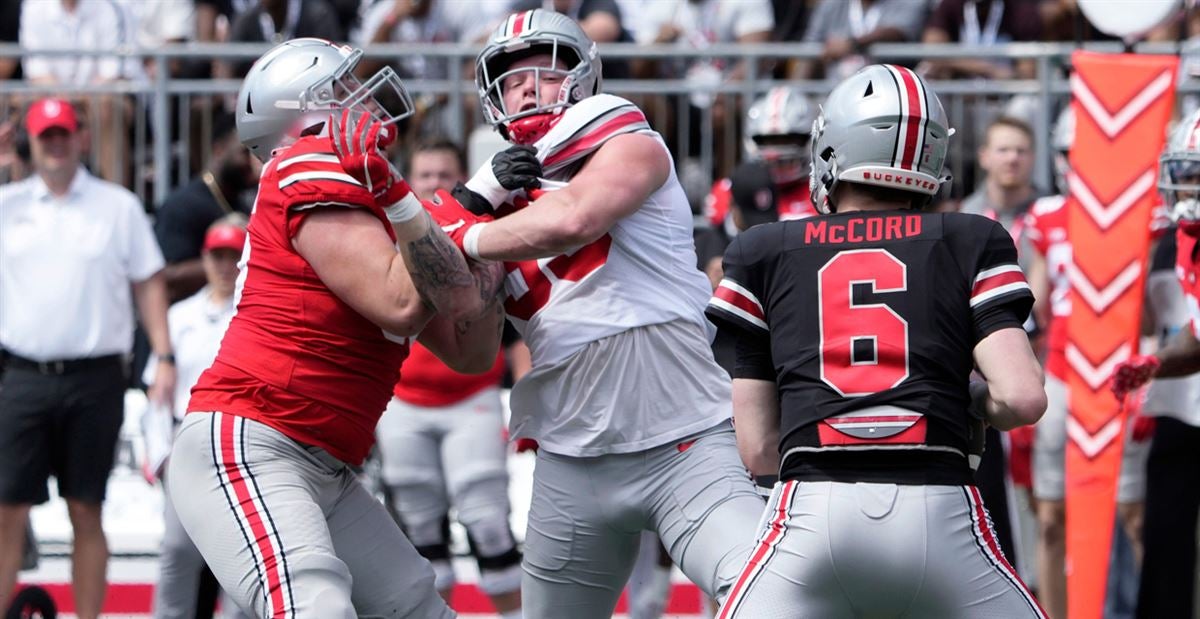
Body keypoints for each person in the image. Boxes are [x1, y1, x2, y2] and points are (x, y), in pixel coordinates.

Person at [164, 38, 506, 619]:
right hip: (254, 444)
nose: (361, 101)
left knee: (419, 608)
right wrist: (450, 211)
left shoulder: (364, 198)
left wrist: (483, 253)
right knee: (313, 606)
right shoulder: (304, 162)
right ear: (303, 112)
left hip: (322, 463)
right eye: (342, 89)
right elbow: (401, 302)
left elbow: (469, 350)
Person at [448, 9, 765, 618]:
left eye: (544, 73)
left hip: (686, 439)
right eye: (512, 81)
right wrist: (468, 206)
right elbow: (464, 341)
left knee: (766, 597)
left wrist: (459, 231)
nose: (528, 89)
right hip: (572, 457)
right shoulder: (488, 196)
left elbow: (573, 219)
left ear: (581, 79)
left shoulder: (625, 137)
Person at [706, 63, 1047, 617]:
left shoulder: (762, 250)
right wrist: (971, 401)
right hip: (941, 511)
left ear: (832, 148)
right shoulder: (968, 238)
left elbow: (759, 449)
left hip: (810, 515)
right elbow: (1023, 397)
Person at [0, 97, 175, 618]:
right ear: (29, 141)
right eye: (45, 135)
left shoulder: (116, 206)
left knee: (87, 509)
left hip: (95, 378)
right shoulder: (8, 204)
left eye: (62, 134)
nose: (54, 144)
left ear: (80, 138)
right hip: (23, 375)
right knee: (6, 512)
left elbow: (149, 283)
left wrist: (163, 354)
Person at [374, 139, 524, 618]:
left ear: (463, 178)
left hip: (470, 397)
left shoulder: (483, 227)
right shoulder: (384, 230)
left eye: (445, 175)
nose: (435, 184)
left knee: (490, 525)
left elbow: (517, 325)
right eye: (425, 175)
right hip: (402, 402)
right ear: (409, 180)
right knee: (420, 536)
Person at [1022, 106, 1149, 619]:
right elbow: (1037, 294)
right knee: (1052, 515)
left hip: (1121, 376)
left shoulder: (1144, 211)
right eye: (1074, 153)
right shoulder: (1048, 214)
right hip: (1062, 371)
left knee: (1134, 515)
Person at [1109, 107, 1200, 619]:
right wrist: (1157, 364)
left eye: (1196, 173)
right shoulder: (1187, 238)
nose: (1184, 185)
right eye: (1183, 171)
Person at [144, 216, 251, 619]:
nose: (225, 265)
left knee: (240, 558)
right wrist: (160, 457)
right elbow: (156, 395)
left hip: (239, 448)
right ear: (205, 259)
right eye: (218, 256)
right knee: (177, 551)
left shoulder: (254, 314)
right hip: (185, 447)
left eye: (233, 256)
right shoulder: (179, 316)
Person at [155, 112, 258, 302]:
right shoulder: (182, 205)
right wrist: (229, 260)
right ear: (219, 150)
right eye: (245, 152)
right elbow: (166, 276)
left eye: (256, 153)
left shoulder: (243, 204)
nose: (252, 162)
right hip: (187, 324)